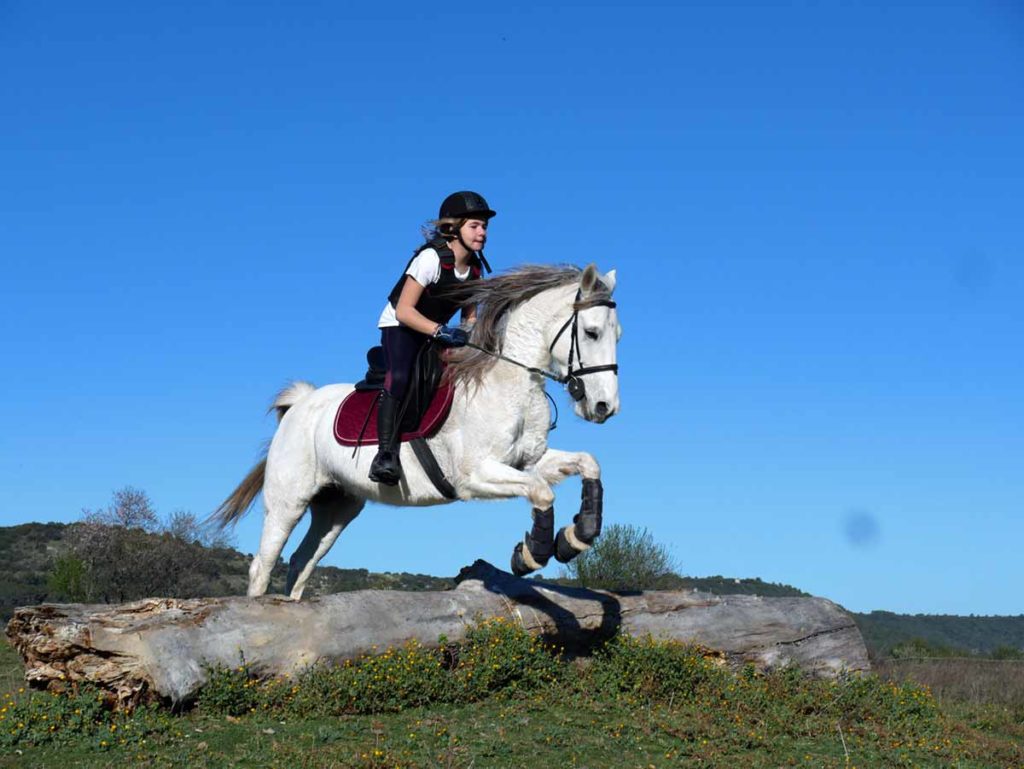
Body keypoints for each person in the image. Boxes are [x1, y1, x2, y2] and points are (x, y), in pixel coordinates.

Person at [369, 191, 496, 485]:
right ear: (453, 228)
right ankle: (385, 454)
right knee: (400, 375)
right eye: (475, 226)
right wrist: (440, 331)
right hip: (400, 325)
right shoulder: (430, 259)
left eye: (484, 226)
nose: (482, 232)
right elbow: (404, 310)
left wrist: (471, 339)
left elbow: (469, 318)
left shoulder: (475, 271)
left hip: (434, 329)